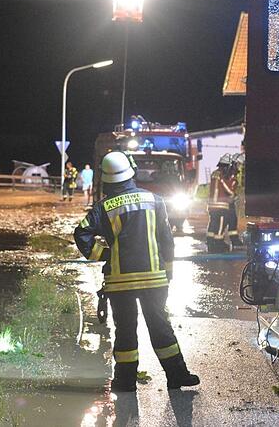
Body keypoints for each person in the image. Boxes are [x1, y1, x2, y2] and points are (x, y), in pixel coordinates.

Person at [74, 151, 200, 392]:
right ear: (130, 172)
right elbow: (167, 241)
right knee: (160, 326)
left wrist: (105, 255)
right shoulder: (154, 200)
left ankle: (125, 381)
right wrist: (169, 273)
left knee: (125, 330)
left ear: (107, 178)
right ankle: (177, 375)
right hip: (154, 279)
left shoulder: (103, 207)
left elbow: (82, 234)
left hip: (120, 282)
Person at [206, 155, 238, 252]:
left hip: (212, 206)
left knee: (213, 224)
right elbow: (230, 192)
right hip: (221, 207)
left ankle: (211, 242)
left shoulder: (214, 174)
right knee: (220, 225)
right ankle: (218, 244)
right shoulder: (222, 177)